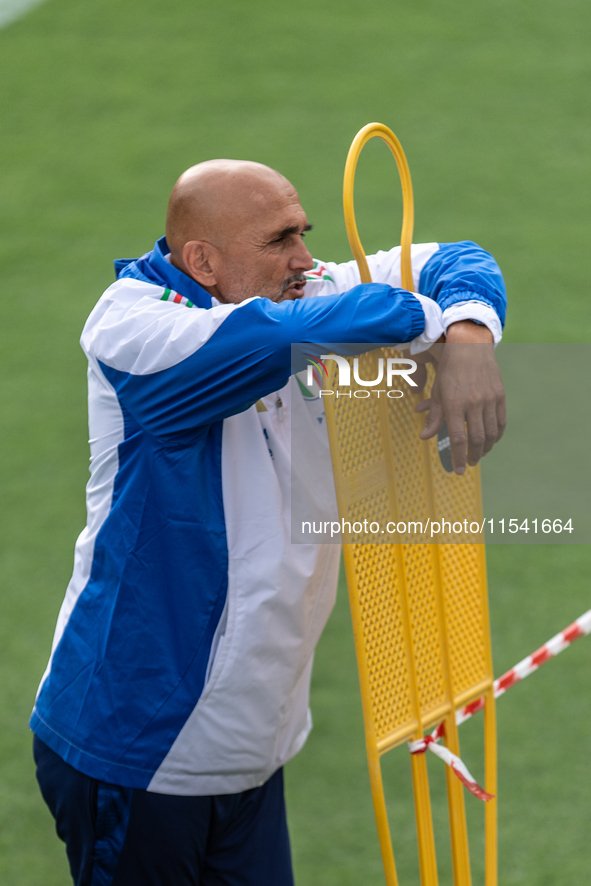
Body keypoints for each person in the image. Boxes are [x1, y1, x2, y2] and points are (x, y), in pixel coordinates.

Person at [31, 159, 506, 885]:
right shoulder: (133, 329)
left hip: (251, 750)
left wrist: (470, 334)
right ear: (203, 261)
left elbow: (453, 260)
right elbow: (265, 338)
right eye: (281, 240)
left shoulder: (301, 292)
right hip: (137, 749)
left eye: (304, 235)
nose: (305, 260)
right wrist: (425, 320)